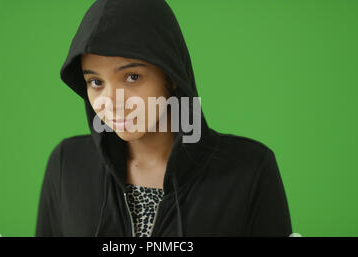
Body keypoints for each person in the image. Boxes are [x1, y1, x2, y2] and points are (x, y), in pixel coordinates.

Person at [36, 0, 293, 237]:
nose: (110, 102)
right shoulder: (66, 164)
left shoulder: (250, 169)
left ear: (170, 76)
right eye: (95, 81)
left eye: (132, 77)